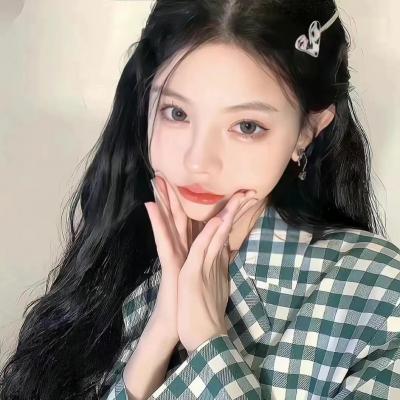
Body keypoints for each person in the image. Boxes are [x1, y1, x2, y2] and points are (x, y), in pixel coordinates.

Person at [1, 0, 400, 399]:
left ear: (307, 132)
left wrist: (207, 340)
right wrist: (157, 338)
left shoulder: (376, 294)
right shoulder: (117, 262)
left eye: (247, 126)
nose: (197, 161)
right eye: (177, 113)